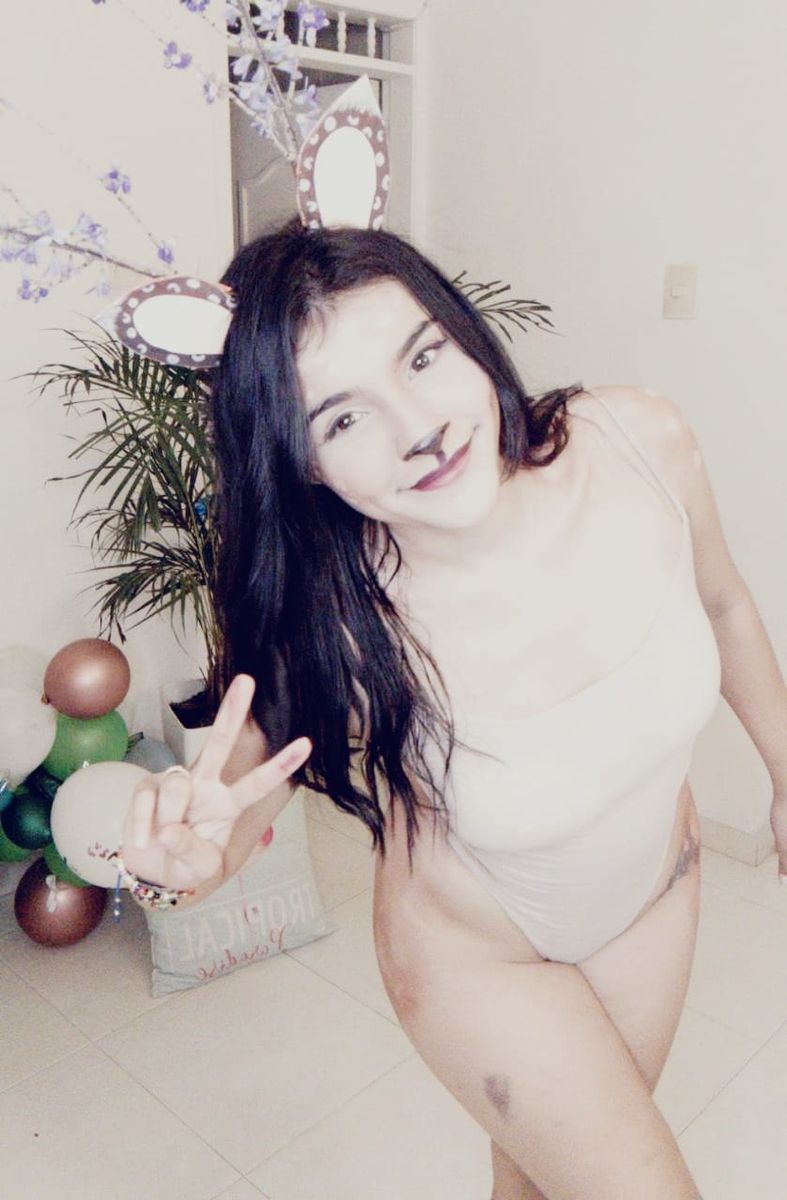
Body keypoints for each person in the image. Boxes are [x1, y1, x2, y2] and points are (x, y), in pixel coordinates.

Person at [121, 217, 766, 1200]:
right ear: (303, 462)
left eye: (421, 357)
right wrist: (179, 870)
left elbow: (724, 605)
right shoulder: (336, 620)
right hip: (477, 957)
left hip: (653, 901)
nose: (416, 425)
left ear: (463, 333)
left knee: (535, 1187)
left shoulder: (640, 445)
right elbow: (240, 798)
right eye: (342, 418)